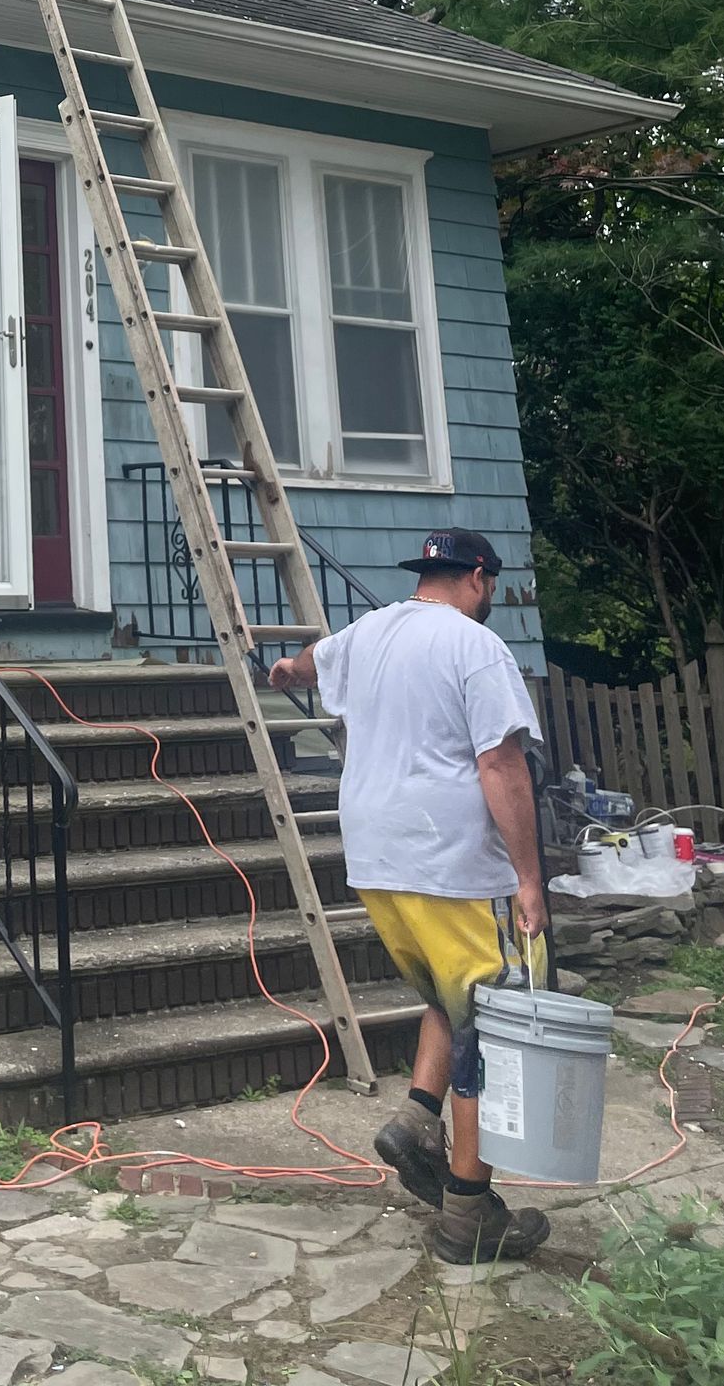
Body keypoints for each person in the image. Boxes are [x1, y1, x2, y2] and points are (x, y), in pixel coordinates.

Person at [266, 528, 552, 1268]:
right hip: (451, 863)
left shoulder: (367, 633)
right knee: (487, 1028)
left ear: (425, 575)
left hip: (376, 857)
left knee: (447, 996)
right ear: (480, 579)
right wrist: (527, 878)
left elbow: (304, 664)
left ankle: (417, 1122)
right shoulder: (474, 646)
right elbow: (500, 761)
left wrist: (283, 673)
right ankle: (467, 1217)